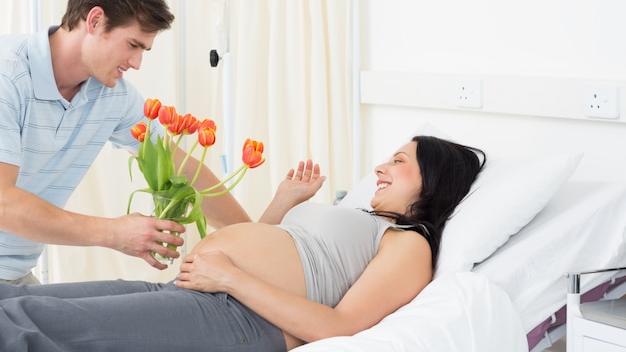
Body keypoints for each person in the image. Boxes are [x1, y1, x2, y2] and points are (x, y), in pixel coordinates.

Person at [0, 135, 486, 352]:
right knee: (19, 299)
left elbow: (338, 328)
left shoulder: (410, 244)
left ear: (432, 182)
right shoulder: (358, 217)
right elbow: (271, 242)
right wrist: (283, 200)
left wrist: (229, 276)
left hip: (240, 320)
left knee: (31, 326)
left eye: (399, 161)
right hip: (195, 291)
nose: (380, 167)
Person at [0, 0, 251, 283]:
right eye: (133, 45)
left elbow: (184, 168)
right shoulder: (8, 72)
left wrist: (253, 242)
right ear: (95, 20)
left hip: (16, 275)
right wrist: (113, 232)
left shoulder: (113, 97)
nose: (136, 62)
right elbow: (3, 203)